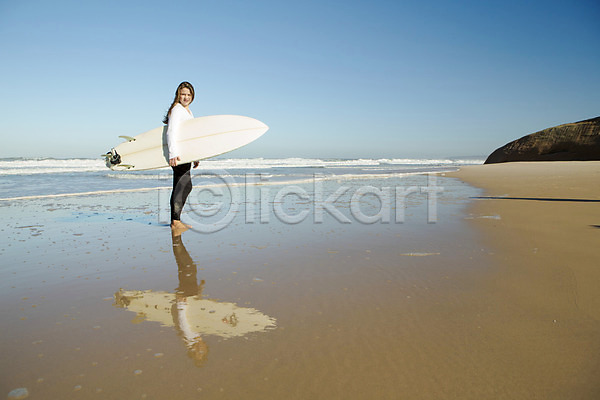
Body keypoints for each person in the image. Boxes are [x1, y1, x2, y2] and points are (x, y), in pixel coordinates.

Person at [163, 81, 199, 234]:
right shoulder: (177, 110)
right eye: (183, 94)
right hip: (178, 155)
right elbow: (171, 132)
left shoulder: (187, 111)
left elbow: (189, 136)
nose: (186, 97)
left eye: (188, 95)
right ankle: (175, 221)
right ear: (178, 95)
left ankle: (176, 220)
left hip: (185, 154)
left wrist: (196, 155)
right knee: (182, 185)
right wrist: (173, 153)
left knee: (184, 185)